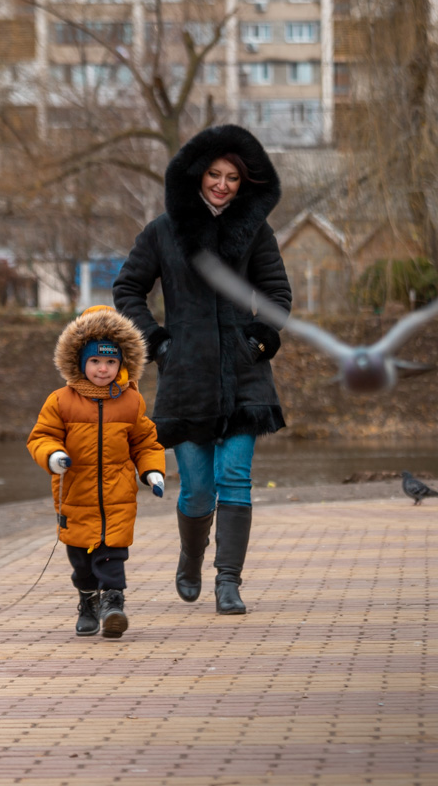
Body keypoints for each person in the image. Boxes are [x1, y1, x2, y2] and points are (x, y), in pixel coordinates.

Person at [113, 124, 292, 615]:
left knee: (235, 477)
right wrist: (158, 343)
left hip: (244, 374)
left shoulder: (255, 231)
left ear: (243, 183)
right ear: (197, 175)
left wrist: (257, 340)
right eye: (215, 174)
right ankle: (191, 557)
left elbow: (277, 294)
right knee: (197, 490)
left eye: (232, 178)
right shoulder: (163, 230)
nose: (222, 185)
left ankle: (228, 581)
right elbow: (128, 289)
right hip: (186, 376)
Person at [27, 305, 167, 639]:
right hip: (75, 497)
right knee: (81, 561)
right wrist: (53, 455)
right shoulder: (60, 401)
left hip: (118, 498)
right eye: (94, 361)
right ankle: (88, 601)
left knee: (112, 555)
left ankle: (113, 603)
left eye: (110, 362)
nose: (103, 369)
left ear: (122, 364)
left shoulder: (131, 401)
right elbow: (41, 437)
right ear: (79, 362)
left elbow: (145, 442)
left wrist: (152, 471)